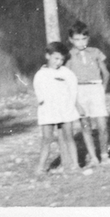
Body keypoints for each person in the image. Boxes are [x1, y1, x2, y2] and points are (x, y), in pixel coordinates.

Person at [66, 21, 110, 165]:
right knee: (85, 125)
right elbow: (67, 79)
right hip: (79, 91)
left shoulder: (95, 52)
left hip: (95, 88)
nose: (81, 42)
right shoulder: (68, 56)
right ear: (71, 40)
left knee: (102, 126)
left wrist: (102, 88)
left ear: (88, 38)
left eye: (83, 39)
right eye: (77, 39)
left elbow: (106, 73)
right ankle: (93, 157)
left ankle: (104, 155)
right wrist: (74, 99)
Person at [33, 41, 79, 174]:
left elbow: (73, 89)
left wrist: (70, 105)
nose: (58, 62)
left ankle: (75, 164)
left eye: (61, 59)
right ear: (48, 56)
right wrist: (44, 103)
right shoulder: (41, 74)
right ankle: (41, 167)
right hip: (48, 110)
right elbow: (39, 90)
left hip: (65, 109)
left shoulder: (67, 73)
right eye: (56, 58)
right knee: (46, 138)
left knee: (69, 136)